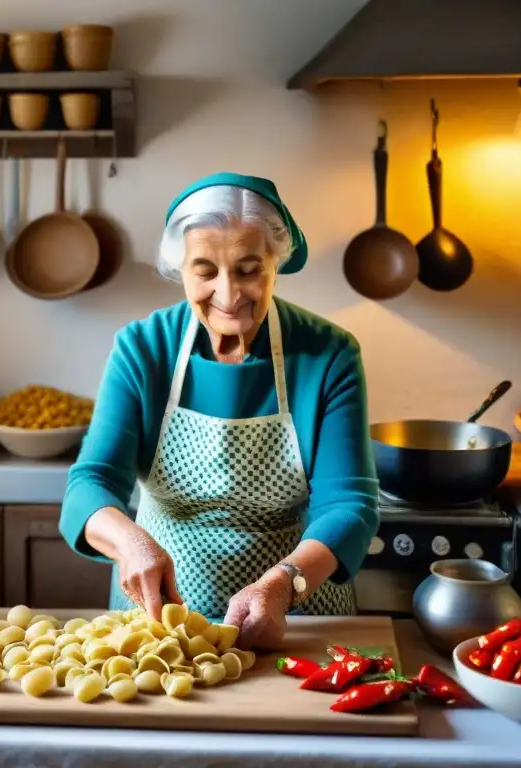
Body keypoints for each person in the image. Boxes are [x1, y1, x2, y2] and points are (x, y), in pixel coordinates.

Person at [59, 172, 380, 650]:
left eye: (249, 269)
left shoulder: (329, 354)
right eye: (205, 271)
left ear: (277, 261)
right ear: (180, 268)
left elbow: (349, 504)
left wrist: (283, 584)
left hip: (295, 614)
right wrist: (130, 543)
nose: (228, 296)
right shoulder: (143, 348)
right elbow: (91, 481)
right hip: (157, 622)